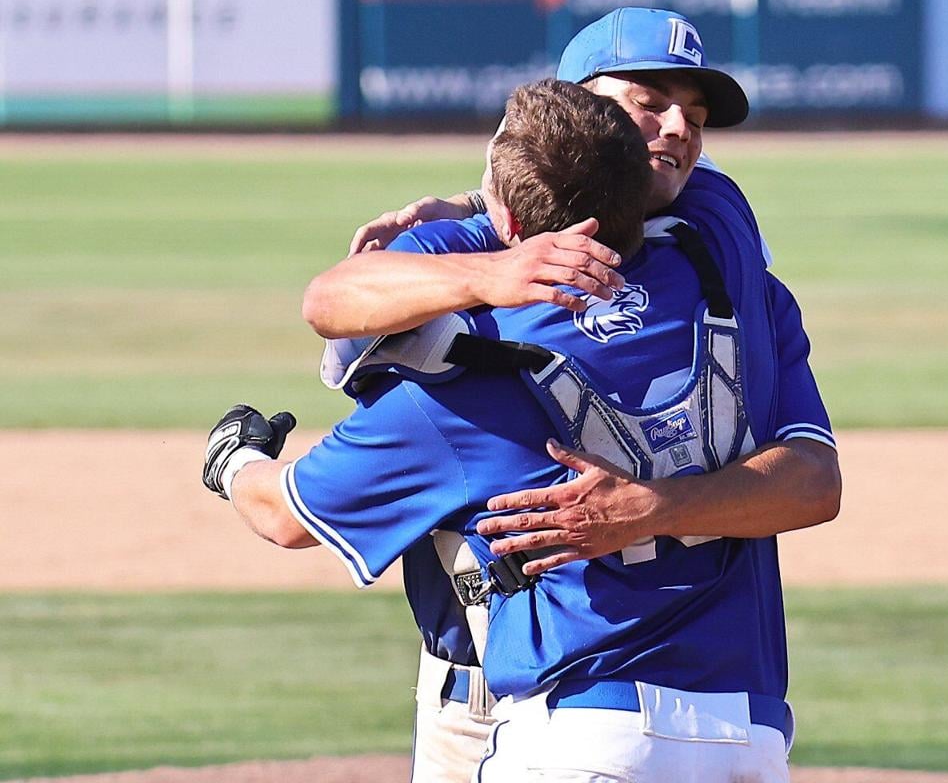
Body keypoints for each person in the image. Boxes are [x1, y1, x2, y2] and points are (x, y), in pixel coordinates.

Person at [204, 77, 836, 781]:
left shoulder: (467, 383)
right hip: (746, 729)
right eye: (648, 109)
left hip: (582, 733)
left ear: (506, 218)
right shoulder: (722, 256)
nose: (675, 130)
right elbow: (816, 481)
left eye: (688, 116)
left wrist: (233, 461)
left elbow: (287, 507)